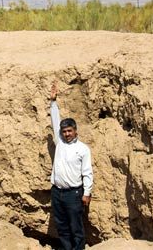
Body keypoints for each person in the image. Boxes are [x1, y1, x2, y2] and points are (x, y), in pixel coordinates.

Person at [49, 80, 93, 250]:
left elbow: (87, 172)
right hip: (57, 192)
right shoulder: (59, 142)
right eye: (64, 131)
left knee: (76, 227)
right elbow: (55, 120)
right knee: (62, 227)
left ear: (75, 131)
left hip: (74, 194)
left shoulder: (82, 149)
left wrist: (87, 193)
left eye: (69, 131)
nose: (66, 134)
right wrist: (53, 102)